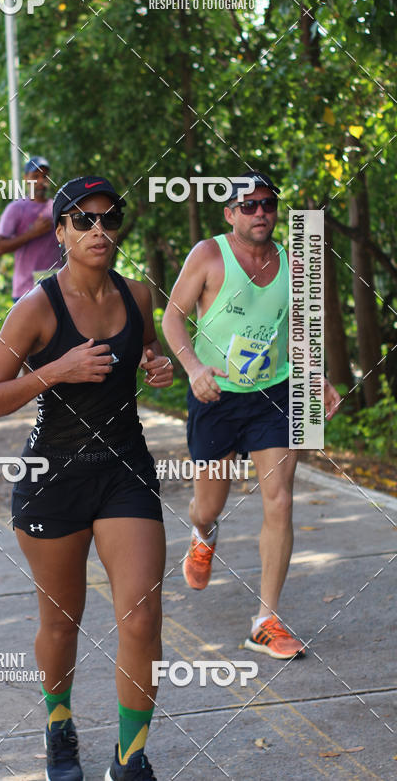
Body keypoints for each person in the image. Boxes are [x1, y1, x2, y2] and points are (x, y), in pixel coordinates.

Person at [0, 177, 173, 780]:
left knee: (141, 615)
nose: (98, 231)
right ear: (59, 231)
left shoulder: (137, 297)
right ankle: (59, 725)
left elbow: (149, 351)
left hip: (124, 469)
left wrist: (155, 364)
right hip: (52, 476)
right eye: (83, 221)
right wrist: (57, 369)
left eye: (108, 220)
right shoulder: (36, 307)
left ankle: (130, 760)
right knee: (61, 623)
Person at [162, 172, 340, 659]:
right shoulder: (208, 254)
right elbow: (172, 316)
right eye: (249, 205)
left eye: (268, 203)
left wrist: (316, 376)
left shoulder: (295, 260)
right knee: (208, 505)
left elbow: (299, 330)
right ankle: (202, 535)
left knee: (279, 499)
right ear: (229, 214)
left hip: (274, 393)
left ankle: (265, 620)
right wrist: (193, 367)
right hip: (216, 394)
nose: (260, 212)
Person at [0, 155, 64, 302]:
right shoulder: (16, 209)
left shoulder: (57, 208)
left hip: (57, 289)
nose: (40, 181)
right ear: (26, 178)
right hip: (25, 292)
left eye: (44, 176)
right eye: (35, 176)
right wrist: (32, 233)